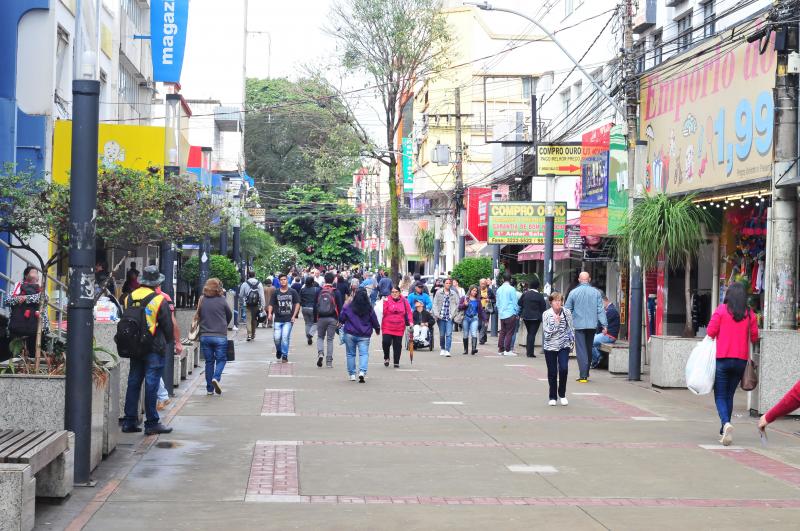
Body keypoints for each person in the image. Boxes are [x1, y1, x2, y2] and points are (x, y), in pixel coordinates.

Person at [120, 266, 174, 435]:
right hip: (153, 347)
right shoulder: (159, 300)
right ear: (157, 282)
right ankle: (151, 423)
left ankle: (129, 421)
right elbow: (167, 326)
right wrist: (169, 342)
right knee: (151, 384)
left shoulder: (129, 297)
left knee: (134, 382)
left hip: (134, 346)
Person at [706, 282, 759, 446]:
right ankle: (724, 429)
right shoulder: (750, 314)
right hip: (740, 362)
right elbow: (755, 337)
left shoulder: (721, 310)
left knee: (720, 395)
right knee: (729, 395)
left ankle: (726, 423)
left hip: (722, 359)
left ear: (728, 295)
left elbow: (710, 332)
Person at [565, 272, 606, 382]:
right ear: (589, 279)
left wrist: (566, 324)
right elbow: (600, 310)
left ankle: (583, 375)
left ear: (579, 279)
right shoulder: (596, 293)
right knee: (588, 348)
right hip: (592, 325)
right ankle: (586, 372)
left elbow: (567, 310)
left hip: (579, 325)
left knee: (581, 349)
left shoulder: (573, 292)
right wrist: (604, 325)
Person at [196, 278, 232, 396]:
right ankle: (216, 377)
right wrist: (224, 324)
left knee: (209, 362)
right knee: (221, 359)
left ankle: (209, 389)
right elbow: (229, 314)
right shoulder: (222, 300)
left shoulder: (202, 300)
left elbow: (199, 315)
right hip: (220, 335)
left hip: (205, 336)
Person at [4, 266, 49, 358]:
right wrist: (17, 299)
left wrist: (25, 298)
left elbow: (44, 298)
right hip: (18, 326)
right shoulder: (17, 288)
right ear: (26, 275)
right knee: (16, 354)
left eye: (36, 273)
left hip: (37, 327)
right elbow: (7, 300)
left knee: (34, 353)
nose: (35, 274)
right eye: (32, 272)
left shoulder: (41, 289)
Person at [339, 288, 380, 382]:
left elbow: (341, 318)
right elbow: (374, 320)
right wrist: (377, 329)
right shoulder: (369, 308)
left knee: (350, 354)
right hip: (364, 334)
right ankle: (362, 372)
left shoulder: (348, 306)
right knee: (364, 354)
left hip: (350, 333)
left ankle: (352, 374)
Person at [542, 292, 574, 406]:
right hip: (550, 346)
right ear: (551, 302)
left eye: (560, 300)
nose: (558, 303)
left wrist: (571, 342)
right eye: (555, 301)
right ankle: (552, 396)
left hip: (563, 345)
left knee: (564, 369)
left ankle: (562, 394)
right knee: (552, 372)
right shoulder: (546, 314)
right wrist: (556, 324)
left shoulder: (566, 312)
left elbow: (571, 328)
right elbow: (547, 334)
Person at [154, 285, 183, 411]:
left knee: (152, 370)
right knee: (152, 370)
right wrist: (177, 342)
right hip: (157, 340)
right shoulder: (165, 297)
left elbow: (172, 321)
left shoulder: (163, 297)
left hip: (156, 340)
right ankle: (162, 396)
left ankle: (162, 396)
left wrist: (177, 342)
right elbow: (172, 321)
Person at [268, 274, 300, 363]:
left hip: (288, 319)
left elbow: (297, 303)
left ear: (287, 280)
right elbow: (271, 304)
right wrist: (270, 313)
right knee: (277, 338)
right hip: (278, 319)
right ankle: (279, 350)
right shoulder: (276, 292)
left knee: (285, 337)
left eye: (284, 279)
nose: (283, 281)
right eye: (281, 280)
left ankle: (285, 355)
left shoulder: (292, 292)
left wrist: (294, 315)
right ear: (279, 281)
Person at [315, 272, 343, 368]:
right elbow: (340, 307)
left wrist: (316, 318)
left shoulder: (319, 291)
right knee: (330, 340)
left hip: (321, 318)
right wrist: (340, 320)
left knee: (320, 337)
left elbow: (316, 305)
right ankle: (329, 362)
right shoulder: (336, 292)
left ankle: (320, 353)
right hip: (333, 318)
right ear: (333, 280)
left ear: (325, 280)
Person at [381, 286, 413, 368]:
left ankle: (396, 361)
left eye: (396, 292)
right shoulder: (386, 300)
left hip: (399, 326)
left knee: (397, 345)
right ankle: (386, 357)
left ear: (399, 293)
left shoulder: (404, 301)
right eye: (392, 292)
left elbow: (409, 312)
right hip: (387, 326)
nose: (394, 293)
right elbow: (382, 312)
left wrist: (411, 322)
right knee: (386, 342)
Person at [519, 278, 547, 358]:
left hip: (526, 316)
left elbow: (519, 303)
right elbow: (543, 307)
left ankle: (529, 351)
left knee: (529, 333)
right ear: (538, 287)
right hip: (536, 317)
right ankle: (530, 353)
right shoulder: (539, 296)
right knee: (532, 334)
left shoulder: (525, 294)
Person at [432, 278, 460, 357]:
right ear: (444, 284)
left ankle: (447, 350)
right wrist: (437, 314)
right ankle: (442, 348)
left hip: (449, 317)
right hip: (441, 317)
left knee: (449, 334)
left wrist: (454, 315)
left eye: (449, 283)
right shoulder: (438, 292)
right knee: (442, 334)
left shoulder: (454, 293)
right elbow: (435, 304)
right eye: (446, 283)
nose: (448, 284)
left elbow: (458, 304)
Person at [591, 295, 621, 369]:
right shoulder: (609, 310)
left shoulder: (611, 310)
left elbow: (601, 323)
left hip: (609, 336)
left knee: (589, 341)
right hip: (606, 334)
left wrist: (599, 331)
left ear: (605, 301)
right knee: (592, 342)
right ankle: (597, 359)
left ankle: (597, 358)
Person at [495, 273, 519, 357]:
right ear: (510, 279)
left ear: (503, 280)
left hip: (502, 313)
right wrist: (516, 312)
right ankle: (507, 350)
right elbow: (515, 302)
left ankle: (500, 349)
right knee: (509, 332)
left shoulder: (499, 289)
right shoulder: (512, 289)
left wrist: (500, 310)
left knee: (502, 331)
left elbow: (497, 303)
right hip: (510, 312)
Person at [459, 285, 485, 355]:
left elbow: (481, 311)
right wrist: (464, 305)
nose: (475, 292)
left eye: (476, 291)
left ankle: (473, 349)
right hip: (465, 318)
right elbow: (459, 307)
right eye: (473, 290)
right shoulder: (464, 298)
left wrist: (485, 319)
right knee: (465, 334)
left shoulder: (478, 300)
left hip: (474, 318)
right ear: (470, 290)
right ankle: (465, 350)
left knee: (474, 333)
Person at [239, 271, 265, 342]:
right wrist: (263, 305)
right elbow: (262, 295)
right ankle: (253, 334)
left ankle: (249, 334)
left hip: (247, 304)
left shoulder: (245, 284)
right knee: (254, 319)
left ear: (248, 275)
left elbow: (241, 295)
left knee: (248, 319)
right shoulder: (259, 284)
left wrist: (242, 301)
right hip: (256, 304)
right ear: (255, 275)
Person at [299, 277, 321, 345]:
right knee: (316, 323)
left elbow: (299, 300)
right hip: (313, 309)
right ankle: (310, 334)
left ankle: (308, 337)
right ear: (312, 282)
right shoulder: (316, 289)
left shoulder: (302, 290)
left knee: (307, 323)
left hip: (304, 308)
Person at [479, 278, 496, 344]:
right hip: (479, 309)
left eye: (484, 283)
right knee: (479, 325)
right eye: (481, 284)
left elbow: (494, 299)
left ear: (486, 284)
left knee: (484, 324)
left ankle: (480, 338)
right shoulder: (477, 290)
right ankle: (484, 338)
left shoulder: (489, 290)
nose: (482, 285)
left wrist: (490, 300)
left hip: (486, 310)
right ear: (479, 284)